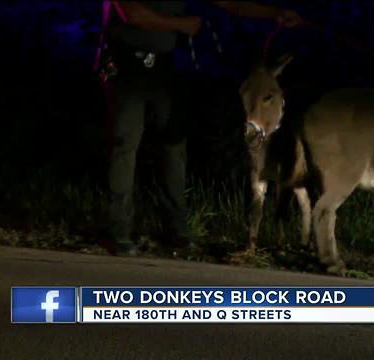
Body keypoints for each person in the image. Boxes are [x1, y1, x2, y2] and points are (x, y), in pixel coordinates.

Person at [100, 1, 302, 256]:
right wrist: (182, 25)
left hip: (162, 66)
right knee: (125, 144)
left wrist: (276, 12)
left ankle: (177, 232)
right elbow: (133, 14)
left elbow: (231, 5)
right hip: (123, 64)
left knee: (174, 146)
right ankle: (119, 232)